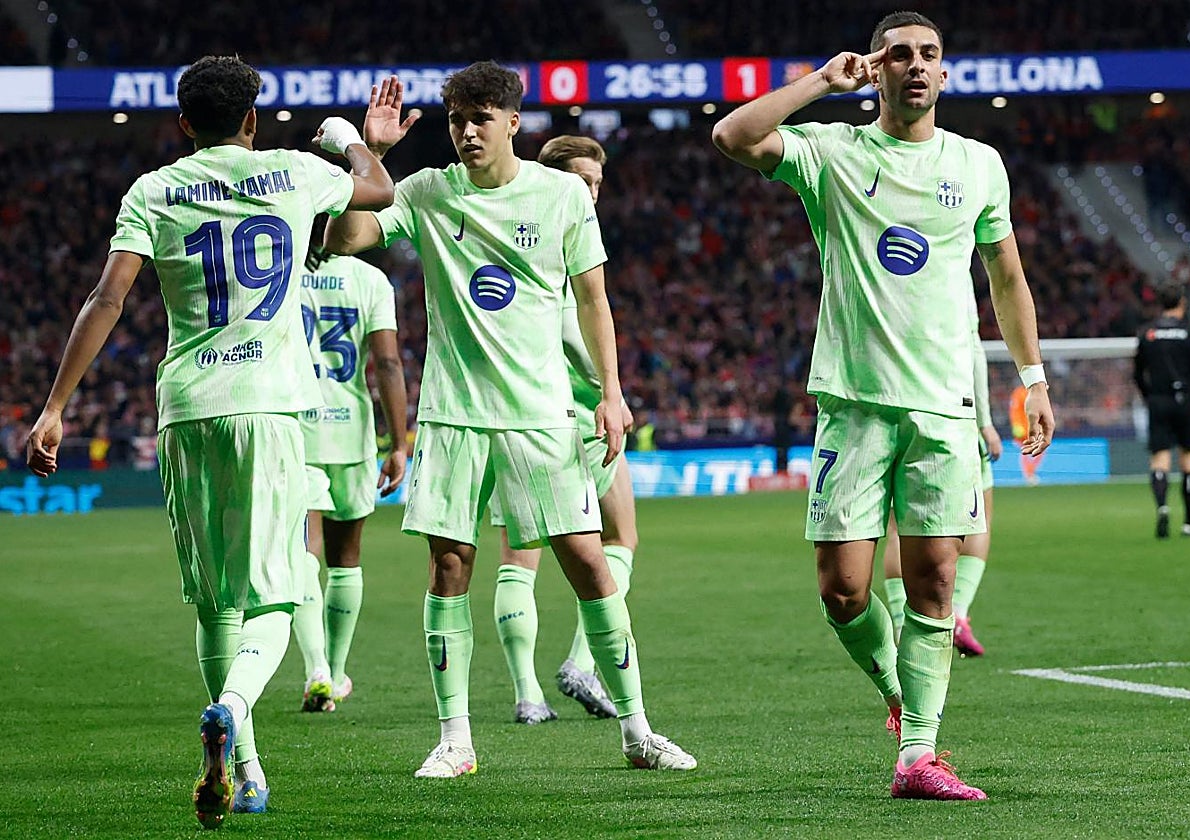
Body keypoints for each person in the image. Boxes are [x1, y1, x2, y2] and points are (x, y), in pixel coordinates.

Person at [24, 56, 395, 827]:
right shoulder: (293, 172)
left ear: (185, 123)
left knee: (213, 597)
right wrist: (351, 139)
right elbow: (378, 193)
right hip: (271, 404)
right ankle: (230, 707)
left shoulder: (153, 190)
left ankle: (251, 769)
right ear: (252, 121)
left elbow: (108, 296)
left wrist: (55, 407)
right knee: (280, 589)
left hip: (188, 406)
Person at [713, 10, 1054, 800]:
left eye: (930, 54)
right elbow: (733, 136)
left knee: (935, 580)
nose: (916, 66)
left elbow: (1007, 276)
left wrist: (1033, 377)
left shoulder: (977, 164)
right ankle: (901, 699)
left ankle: (920, 756)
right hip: (855, 403)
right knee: (843, 589)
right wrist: (819, 84)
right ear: (878, 68)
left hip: (942, 405)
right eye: (899, 54)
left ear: (945, 70)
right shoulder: (834, 151)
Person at [323, 60, 695, 777]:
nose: (466, 132)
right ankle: (456, 740)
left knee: (589, 561)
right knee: (449, 566)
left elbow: (594, 301)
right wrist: (376, 154)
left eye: (480, 119)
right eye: (457, 119)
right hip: (455, 419)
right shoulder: (429, 191)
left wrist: (612, 392)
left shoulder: (560, 195)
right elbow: (344, 238)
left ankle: (637, 731)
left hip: (542, 414)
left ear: (513, 122)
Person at [487, 135, 635, 725]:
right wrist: (609, 389)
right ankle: (581, 662)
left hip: (516, 415)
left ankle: (526, 695)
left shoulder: (515, 231)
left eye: (597, 183)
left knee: (519, 553)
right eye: (582, 181)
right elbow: (578, 329)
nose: (591, 192)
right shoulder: (565, 240)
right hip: (575, 415)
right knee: (619, 539)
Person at [291, 234, 408, 713]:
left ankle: (315, 666)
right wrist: (399, 442)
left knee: (300, 551)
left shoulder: (286, 271)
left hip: (294, 429)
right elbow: (387, 362)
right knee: (346, 558)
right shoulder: (371, 280)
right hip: (350, 431)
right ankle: (336, 673)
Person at [882, 312, 1003, 656]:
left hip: (890, 400)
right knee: (976, 517)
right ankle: (959, 613)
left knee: (896, 526)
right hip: (949, 407)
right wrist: (985, 421)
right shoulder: (952, 264)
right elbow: (973, 348)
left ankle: (900, 622)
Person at [1133, 282, 1190, 538]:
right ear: (1182, 302)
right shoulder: (1189, 332)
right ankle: (1189, 523)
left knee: (1160, 459)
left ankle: (1162, 507)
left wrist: (1148, 395)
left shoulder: (1148, 332)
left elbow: (1138, 372)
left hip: (1158, 400)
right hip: (1185, 399)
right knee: (1189, 460)